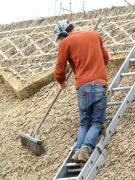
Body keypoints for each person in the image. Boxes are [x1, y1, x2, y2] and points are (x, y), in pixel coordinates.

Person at [54, 19, 109, 163]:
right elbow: (106, 59)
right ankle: (85, 149)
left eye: (60, 37)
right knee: (97, 122)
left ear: (63, 33)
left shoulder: (65, 43)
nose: (60, 40)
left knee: (85, 123)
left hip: (83, 88)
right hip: (100, 85)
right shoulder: (95, 35)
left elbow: (59, 70)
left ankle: (78, 150)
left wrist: (62, 81)